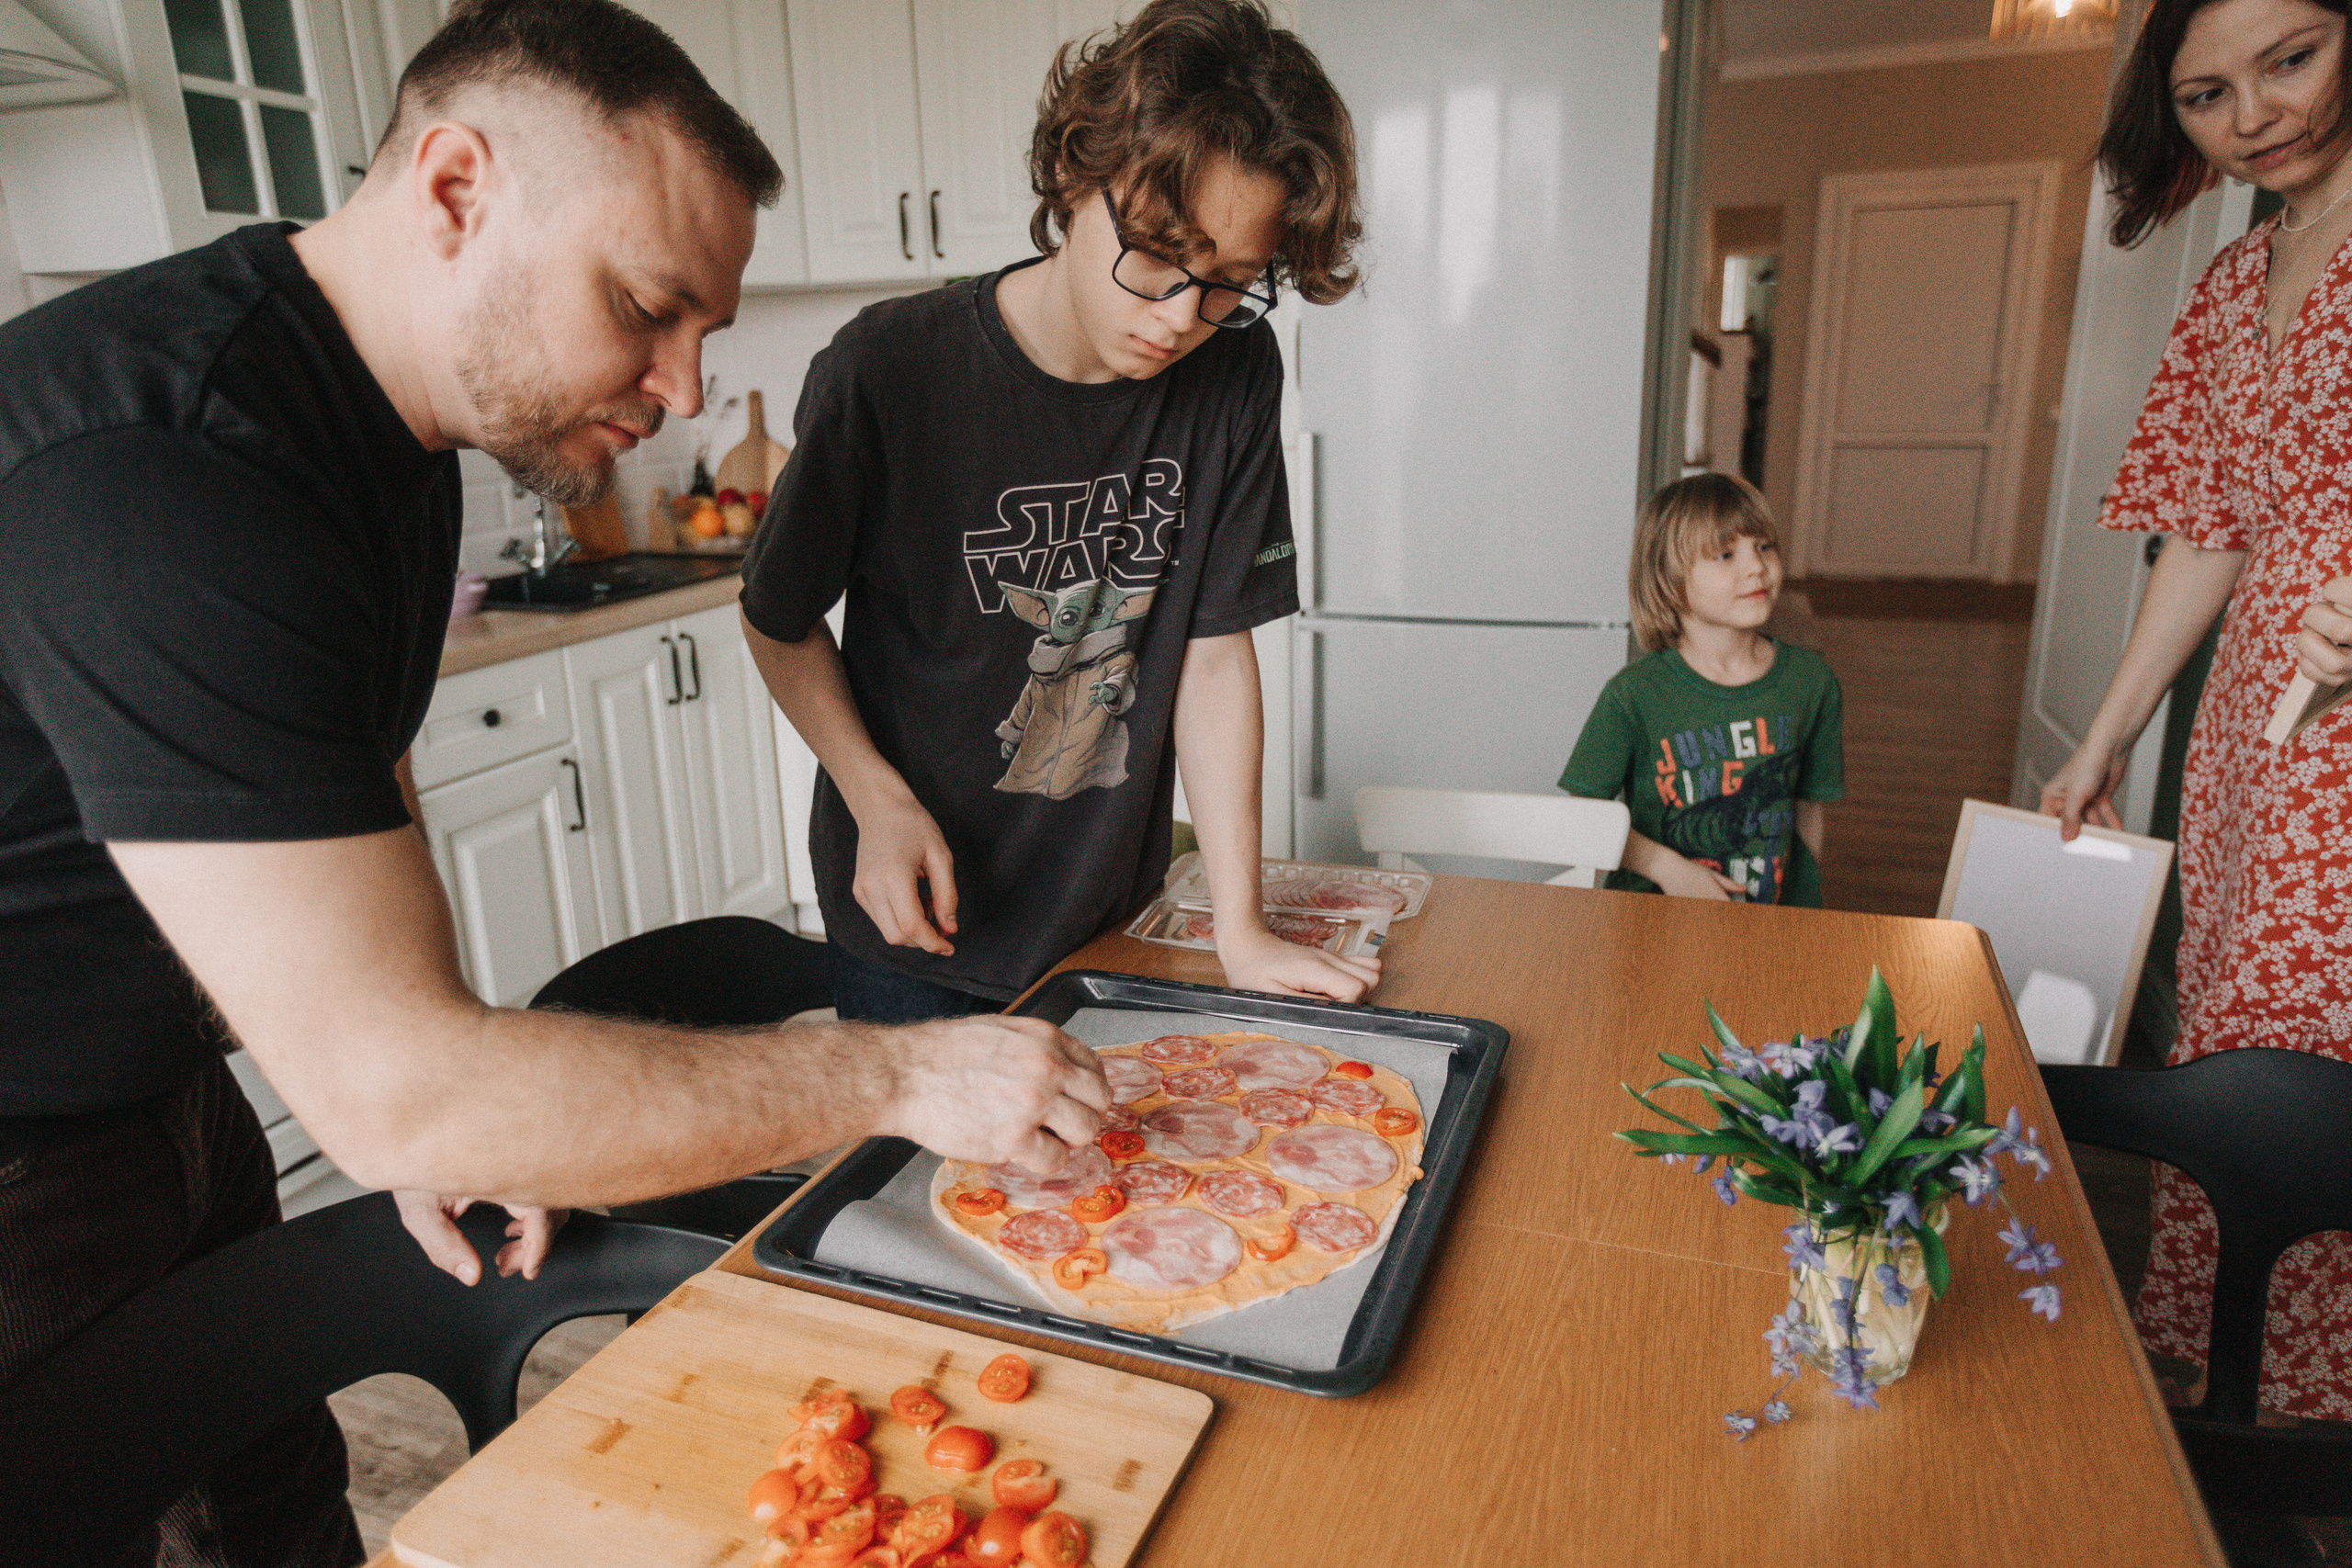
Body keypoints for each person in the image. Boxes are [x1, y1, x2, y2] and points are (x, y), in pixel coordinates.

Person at [0, 2, 1105, 1560]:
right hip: (19, 1162)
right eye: (650, 307)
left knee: (272, 1506)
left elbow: (362, 802)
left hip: (168, 1095)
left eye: (704, 330)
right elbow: (390, 1081)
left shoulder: (387, 434)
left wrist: (448, 1104)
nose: (688, 382)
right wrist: (905, 1074)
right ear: (454, 189)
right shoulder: (167, 468)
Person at [740, 0, 1378, 1025]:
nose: (1181, 319)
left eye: (1228, 284)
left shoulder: (1233, 372)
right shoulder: (889, 369)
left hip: (1109, 917)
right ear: (1078, 178)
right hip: (917, 922)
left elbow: (1213, 655)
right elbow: (777, 616)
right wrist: (873, 795)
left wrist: (1239, 924)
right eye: (1157, 257)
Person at [2045, 0, 2352, 1419]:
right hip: (2252, 730)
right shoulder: (2238, 279)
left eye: (2291, 59)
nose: (2253, 117)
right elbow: (2212, 532)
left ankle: (2315, 1419)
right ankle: (2222, 1378)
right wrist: (2109, 736)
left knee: (2325, 1066)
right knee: (2234, 1045)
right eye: (2207, 93)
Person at [1557, 474, 1844, 906]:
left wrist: (1803, 915)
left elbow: (1807, 810)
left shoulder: (1810, 681)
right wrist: (1666, 868)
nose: (1755, 568)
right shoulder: (1634, 694)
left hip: (1770, 930)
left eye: (1764, 547)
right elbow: (1580, 817)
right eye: (1726, 555)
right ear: (1667, 578)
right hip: (1650, 929)